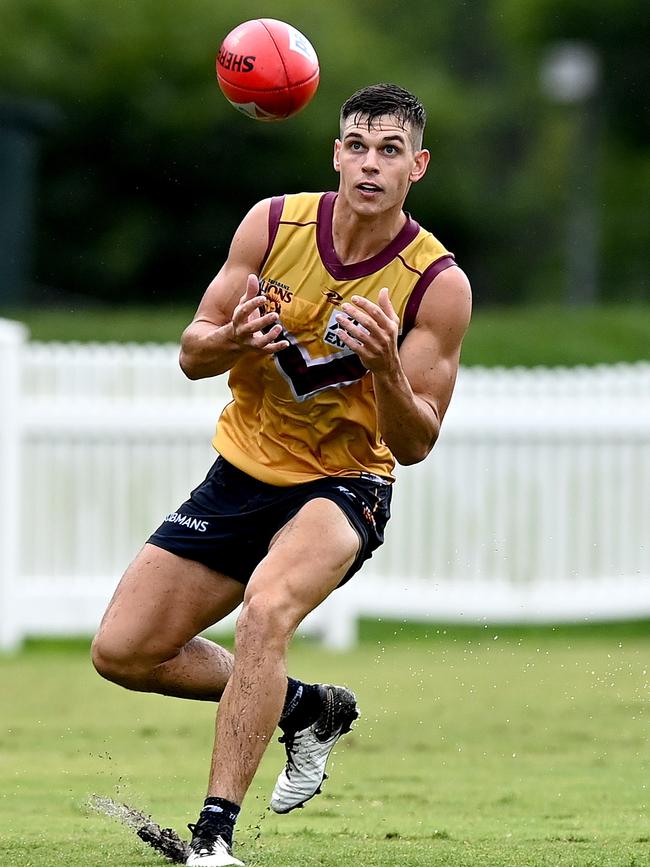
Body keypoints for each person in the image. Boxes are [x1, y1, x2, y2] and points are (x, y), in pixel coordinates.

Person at [91, 83, 472, 867]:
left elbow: (416, 442)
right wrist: (231, 338)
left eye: (389, 150)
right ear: (335, 152)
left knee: (266, 610)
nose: (370, 163)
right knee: (123, 652)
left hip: (345, 484)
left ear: (417, 167)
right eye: (357, 145)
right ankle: (307, 706)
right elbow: (192, 354)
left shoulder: (438, 283)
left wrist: (385, 370)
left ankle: (213, 837)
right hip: (242, 471)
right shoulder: (272, 223)